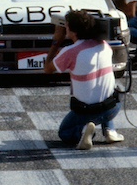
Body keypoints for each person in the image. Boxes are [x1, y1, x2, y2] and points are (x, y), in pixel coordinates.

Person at [43, 10, 123, 150]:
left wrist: (56, 41)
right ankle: (110, 130)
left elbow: (48, 69)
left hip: (86, 111)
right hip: (113, 108)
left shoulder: (70, 52)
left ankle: (83, 132)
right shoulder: (104, 45)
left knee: (65, 133)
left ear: (71, 30)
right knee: (111, 88)